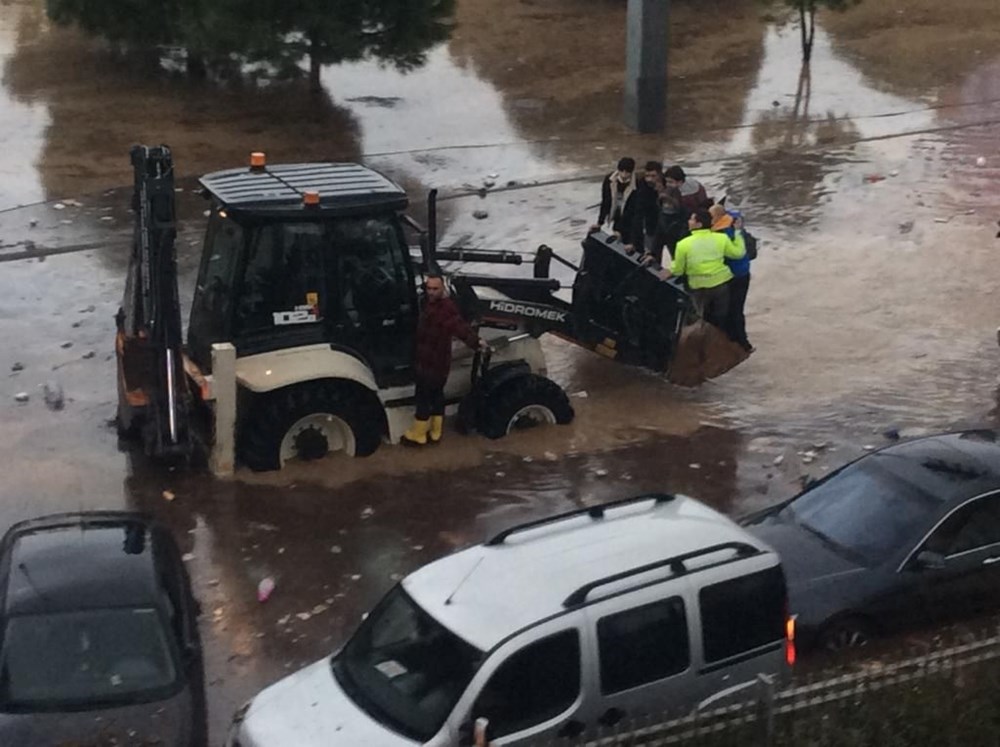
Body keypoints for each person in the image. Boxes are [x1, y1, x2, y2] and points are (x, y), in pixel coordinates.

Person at [401, 274, 486, 446]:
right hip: (438, 361)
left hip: (431, 361)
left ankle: (418, 433)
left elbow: (460, 327)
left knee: (423, 397)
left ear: (442, 289)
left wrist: (476, 342)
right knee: (437, 395)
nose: (431, 292)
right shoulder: (433, 304)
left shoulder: (444, 309)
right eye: (429, 288)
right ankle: (435, 432)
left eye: (435, 289)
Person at [663, 210, 745, 329]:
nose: (689, 221)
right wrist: (737, 233)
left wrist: (670, 270)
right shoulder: (721, 238)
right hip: (720, 284)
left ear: (699, 224)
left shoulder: (683, 244)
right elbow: (738, 253)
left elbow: (678, 270)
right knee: (721, 317)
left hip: (698, 288)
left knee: (701, 319)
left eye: (692, 219)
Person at [592, 157, 640, 248]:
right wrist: (600, 222)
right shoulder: (609, 180)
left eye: (627, 172)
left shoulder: (637, 184)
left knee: (626, 240)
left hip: (629, 219)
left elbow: (633, 210)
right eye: (622, 171)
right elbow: (605, 201)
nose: (624, 174)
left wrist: (620, 230)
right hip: (616, 214)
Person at [636, 161, 664, 257]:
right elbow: (638, 210)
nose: (649, 179)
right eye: (647, 176)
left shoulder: (668, 183)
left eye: (653, 176)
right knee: (652, 254)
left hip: (670, 225)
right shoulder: (641, 185)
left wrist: (661, 193)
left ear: (660, 175)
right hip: (651, 225)